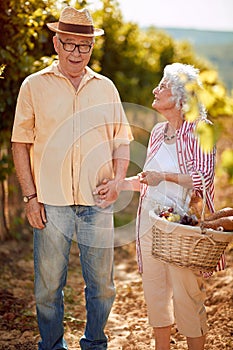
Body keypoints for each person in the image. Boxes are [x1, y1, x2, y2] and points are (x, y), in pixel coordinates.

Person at [11, 6, 133, 350]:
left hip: (98, 202)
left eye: (85, 46)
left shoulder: (105, 88)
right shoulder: (33, 86)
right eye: (69, 44)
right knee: (48, 287)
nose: (77, 53)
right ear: (56, 43)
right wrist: (30, 197)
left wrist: (118, 179)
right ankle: (51, 346)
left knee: (103, 285)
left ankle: (95, 343)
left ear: (92, 48)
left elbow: (121, 139)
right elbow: (19, 143)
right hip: (51, 203)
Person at [95, 63, 223, 350]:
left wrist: (163, 176)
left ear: (180, 98)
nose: (155, 90)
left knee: (187, 297)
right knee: (155, 294)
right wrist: (119, 185)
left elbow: (203, 178)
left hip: (182, 229)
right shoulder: (156, 131)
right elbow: (148, 181)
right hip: (150, 223)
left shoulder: (200, 130)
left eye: (163, 86)